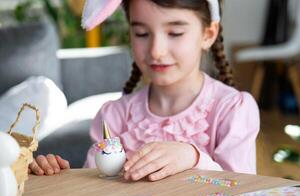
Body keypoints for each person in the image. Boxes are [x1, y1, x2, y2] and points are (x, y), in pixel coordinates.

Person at [29, 0, 260, 181]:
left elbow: (243, 189)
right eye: (141, 34)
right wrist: (62, 177)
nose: (156, 50)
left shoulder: (233, 110)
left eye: (175, 33)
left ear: (208, 34)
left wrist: (193, 157)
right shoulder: (113, 117)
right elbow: (97, 186)